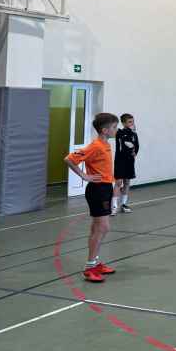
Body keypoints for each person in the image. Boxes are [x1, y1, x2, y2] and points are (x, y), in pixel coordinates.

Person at [63, 112, 119, 283]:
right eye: (114, 127)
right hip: (97, 190)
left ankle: (95, 262)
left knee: (97, 228)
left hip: (106, 187)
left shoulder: (106, 144)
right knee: (103, 227)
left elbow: (104, 167)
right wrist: (84, 175)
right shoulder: (95, 146)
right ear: (104, 130)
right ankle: (89, 268)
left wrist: (115, 181)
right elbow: (69, 159)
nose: (116, 130)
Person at [112, 113, 139, 215]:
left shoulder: (134, 134)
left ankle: (123, 205)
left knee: (127, 182)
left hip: (129, 162)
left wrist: (134, 153)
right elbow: (124, 143)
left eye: (133, 121)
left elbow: (136, 146)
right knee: (118, 183)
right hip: (120, 161)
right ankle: (114, 206)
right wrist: (129, 132)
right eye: (129, 122)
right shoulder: (119, 133)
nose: (132, 123)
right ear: (123, 123)